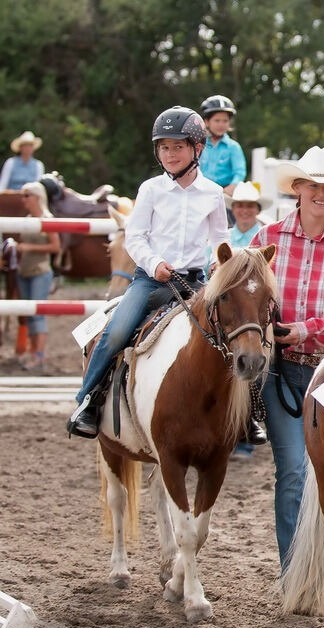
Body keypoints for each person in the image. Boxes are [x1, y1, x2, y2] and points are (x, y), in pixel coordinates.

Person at [67, 106, 228, 438]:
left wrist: (219, 259)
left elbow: (220, 238)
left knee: (231, 332)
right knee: (116, 331)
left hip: (195, 282)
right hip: (151, 281)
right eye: (164, 147)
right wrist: (155, 264)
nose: (170, 154)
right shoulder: (151, 190)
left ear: (197, 148)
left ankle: (243, 415)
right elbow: (135, 236)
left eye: (178, 147)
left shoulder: (212, 194)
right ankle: (87, 403)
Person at [250, 145, 324, 570]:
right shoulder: (266, 240)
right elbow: (246, 297)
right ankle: (293, 571)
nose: (322, 193)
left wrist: (304, 330)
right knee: (295, 473)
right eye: (315, 185)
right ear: (298, 188)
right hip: (280, 371)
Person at [225, 181, 272, 461]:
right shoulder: (225, 236)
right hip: (230, 305)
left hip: (251, 307)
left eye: (249, 206)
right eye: (240, 205)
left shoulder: (261, 238)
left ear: (256, 210)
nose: (244, 210)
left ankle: (248, 422)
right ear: (234, 209)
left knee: (252, 351)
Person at [15, 181, 60, 370]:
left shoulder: (47, 219)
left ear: (37, 197)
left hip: (40, 272)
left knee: (38, 315)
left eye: (27, 195)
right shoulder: (27, 219)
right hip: (24, 271)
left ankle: (39, 355)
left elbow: (56, 247)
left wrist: (28, 247)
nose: (23, 199)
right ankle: (34, 353)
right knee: (29, 314)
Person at [199, 95, 246, 197]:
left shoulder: (233, 147)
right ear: (207, 122)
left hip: (224, 194)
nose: (221, 124)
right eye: (217, 120)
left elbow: (239, 172)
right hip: (201, 192)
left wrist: (232, 186)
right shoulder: (199, 145)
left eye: (225, 121)